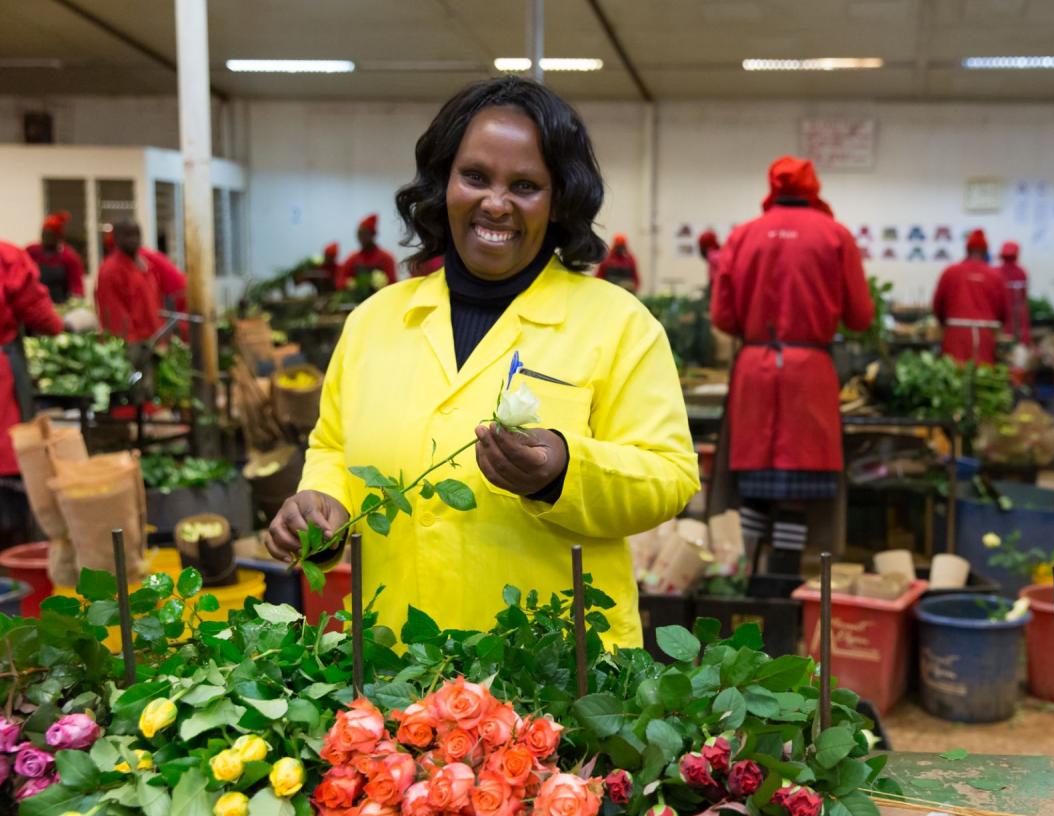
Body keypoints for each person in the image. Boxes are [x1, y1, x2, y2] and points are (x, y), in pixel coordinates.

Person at [264, 76, 699, 647]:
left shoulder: (617, 324)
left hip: (556, 673)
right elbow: (335, 449)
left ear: (558, 199)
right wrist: (320, 510)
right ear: (443, 182)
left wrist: (566, 469)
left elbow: (669, 473)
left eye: (525, 185)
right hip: (401, 661)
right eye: (475, 177)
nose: (496, 203)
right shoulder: (374, 322)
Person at [711, 156, 872, 570]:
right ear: (812, 187)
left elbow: (723, 318)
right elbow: (860, 317)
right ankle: (783, 579)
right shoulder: (836, 236)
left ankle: (740, 580)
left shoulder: (743, 236)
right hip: (809, 371)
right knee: (799, 486)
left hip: (754, 367)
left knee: (751, 483)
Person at [0, 242, 63, 475]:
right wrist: (58, 326)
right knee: (8, 451)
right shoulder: (6, 258)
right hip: (3, 377)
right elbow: (36, 309)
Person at [95, 219, 188, 342]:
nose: (133, 239)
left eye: (137, 234)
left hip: (155, 339)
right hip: (132, 345)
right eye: (128, 235)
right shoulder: (110, 270)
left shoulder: (146, 265)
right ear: (116, 238)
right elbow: (115, 318)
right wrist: (132, 346)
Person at [932, 229, 1007, 365]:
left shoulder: (950, 272)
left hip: (956, 334)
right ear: (985, 252)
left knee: (954, 376)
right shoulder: (995, 276)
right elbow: (1003, 311)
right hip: (985, 335)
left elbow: (937, 305)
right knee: (984, 378)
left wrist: (944, 323)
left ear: (967, 250)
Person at [24, 212, 85, 304]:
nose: (45, 237)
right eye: (44, 234)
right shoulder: (31, 251)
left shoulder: (69, 256)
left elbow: (77, 286)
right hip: (34, 303)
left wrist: (76, 303)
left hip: (61, 304)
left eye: (49, 234)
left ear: (58, 236)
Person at [336, 214, 398, 290]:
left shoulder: (386, 258)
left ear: (373, 234)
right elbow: (340, 282)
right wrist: (349, 284)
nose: (361, 237)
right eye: (359, 234)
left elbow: (393, 285)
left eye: (365, 233)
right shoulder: (352, 259)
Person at [997, 241, 1032, 347]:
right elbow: (1023, 298)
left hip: (1007, 317)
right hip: (1013, 316)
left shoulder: (996, 271)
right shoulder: (1021, 272)